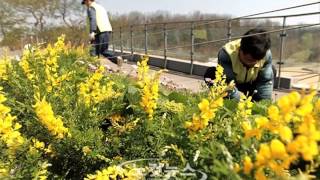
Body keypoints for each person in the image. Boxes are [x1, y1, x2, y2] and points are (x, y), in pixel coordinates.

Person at [204, 28, 274, 101]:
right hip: (234, 84)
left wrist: (263, 104)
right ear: (240, 49)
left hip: (251, 85)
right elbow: (228, 83)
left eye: (257, 61)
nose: (253, 64)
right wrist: (240, 102)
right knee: (211, 74)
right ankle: (221, 99)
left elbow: (265, 81)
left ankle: (253, 99)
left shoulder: (266, 54)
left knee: (271, 71)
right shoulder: (227, 53)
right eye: (249, 60)